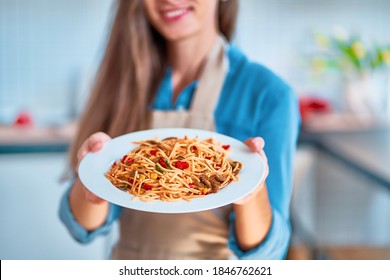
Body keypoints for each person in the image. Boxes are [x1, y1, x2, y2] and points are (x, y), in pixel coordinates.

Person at [59, 0, 300, 260]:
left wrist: (251, 193)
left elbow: (270, 251)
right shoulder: (126, 82)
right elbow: (82, 227)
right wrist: (92, 186)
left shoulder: (269, 95)